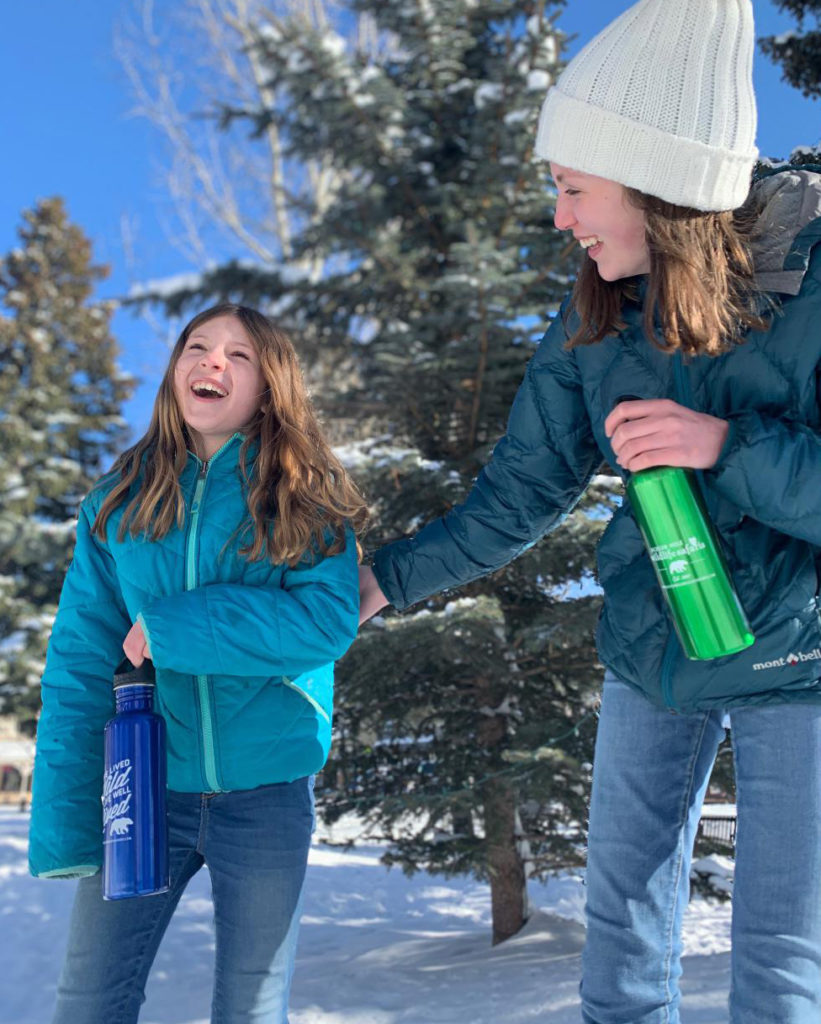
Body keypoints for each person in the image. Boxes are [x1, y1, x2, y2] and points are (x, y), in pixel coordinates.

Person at [359, 1, 821, 1020]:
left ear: (654, 183)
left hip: (801, 656)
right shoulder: (594, 313)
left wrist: (724, 449)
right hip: (652, 643)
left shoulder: (815, 275)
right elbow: (518, 492)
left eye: (571, 188)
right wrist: (378, 581)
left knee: (782, 951)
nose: (559, 217)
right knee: (619, 933)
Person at [29, 303, 367, 1024]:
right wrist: (62, 823)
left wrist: (178, 626)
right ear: (175, 369)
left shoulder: (304, 499)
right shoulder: (116, 503)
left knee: (251, 1005)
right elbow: (79, 663)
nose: (212, 361)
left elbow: (325, 621)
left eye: (239, 356)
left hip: (269, 794)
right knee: (87, 1001)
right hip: (144, 788)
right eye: (198, 346)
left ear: (269, 387)